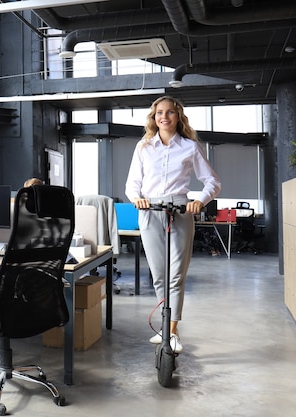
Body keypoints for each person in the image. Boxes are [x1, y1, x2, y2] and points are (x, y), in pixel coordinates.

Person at [125, 96, 221, 354]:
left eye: (169, 113)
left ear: (178, 116)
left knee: (176, 274)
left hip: (180, 209)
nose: (164, 117)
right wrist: (137, 199)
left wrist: (199, 201)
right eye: (159, 113)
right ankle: (165, 326)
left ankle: (172, 331)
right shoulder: (144, 147)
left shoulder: (190, 147)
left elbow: (212, 182)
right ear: (154, 117)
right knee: (159, 274)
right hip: (150, 210)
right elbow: (133, 183)